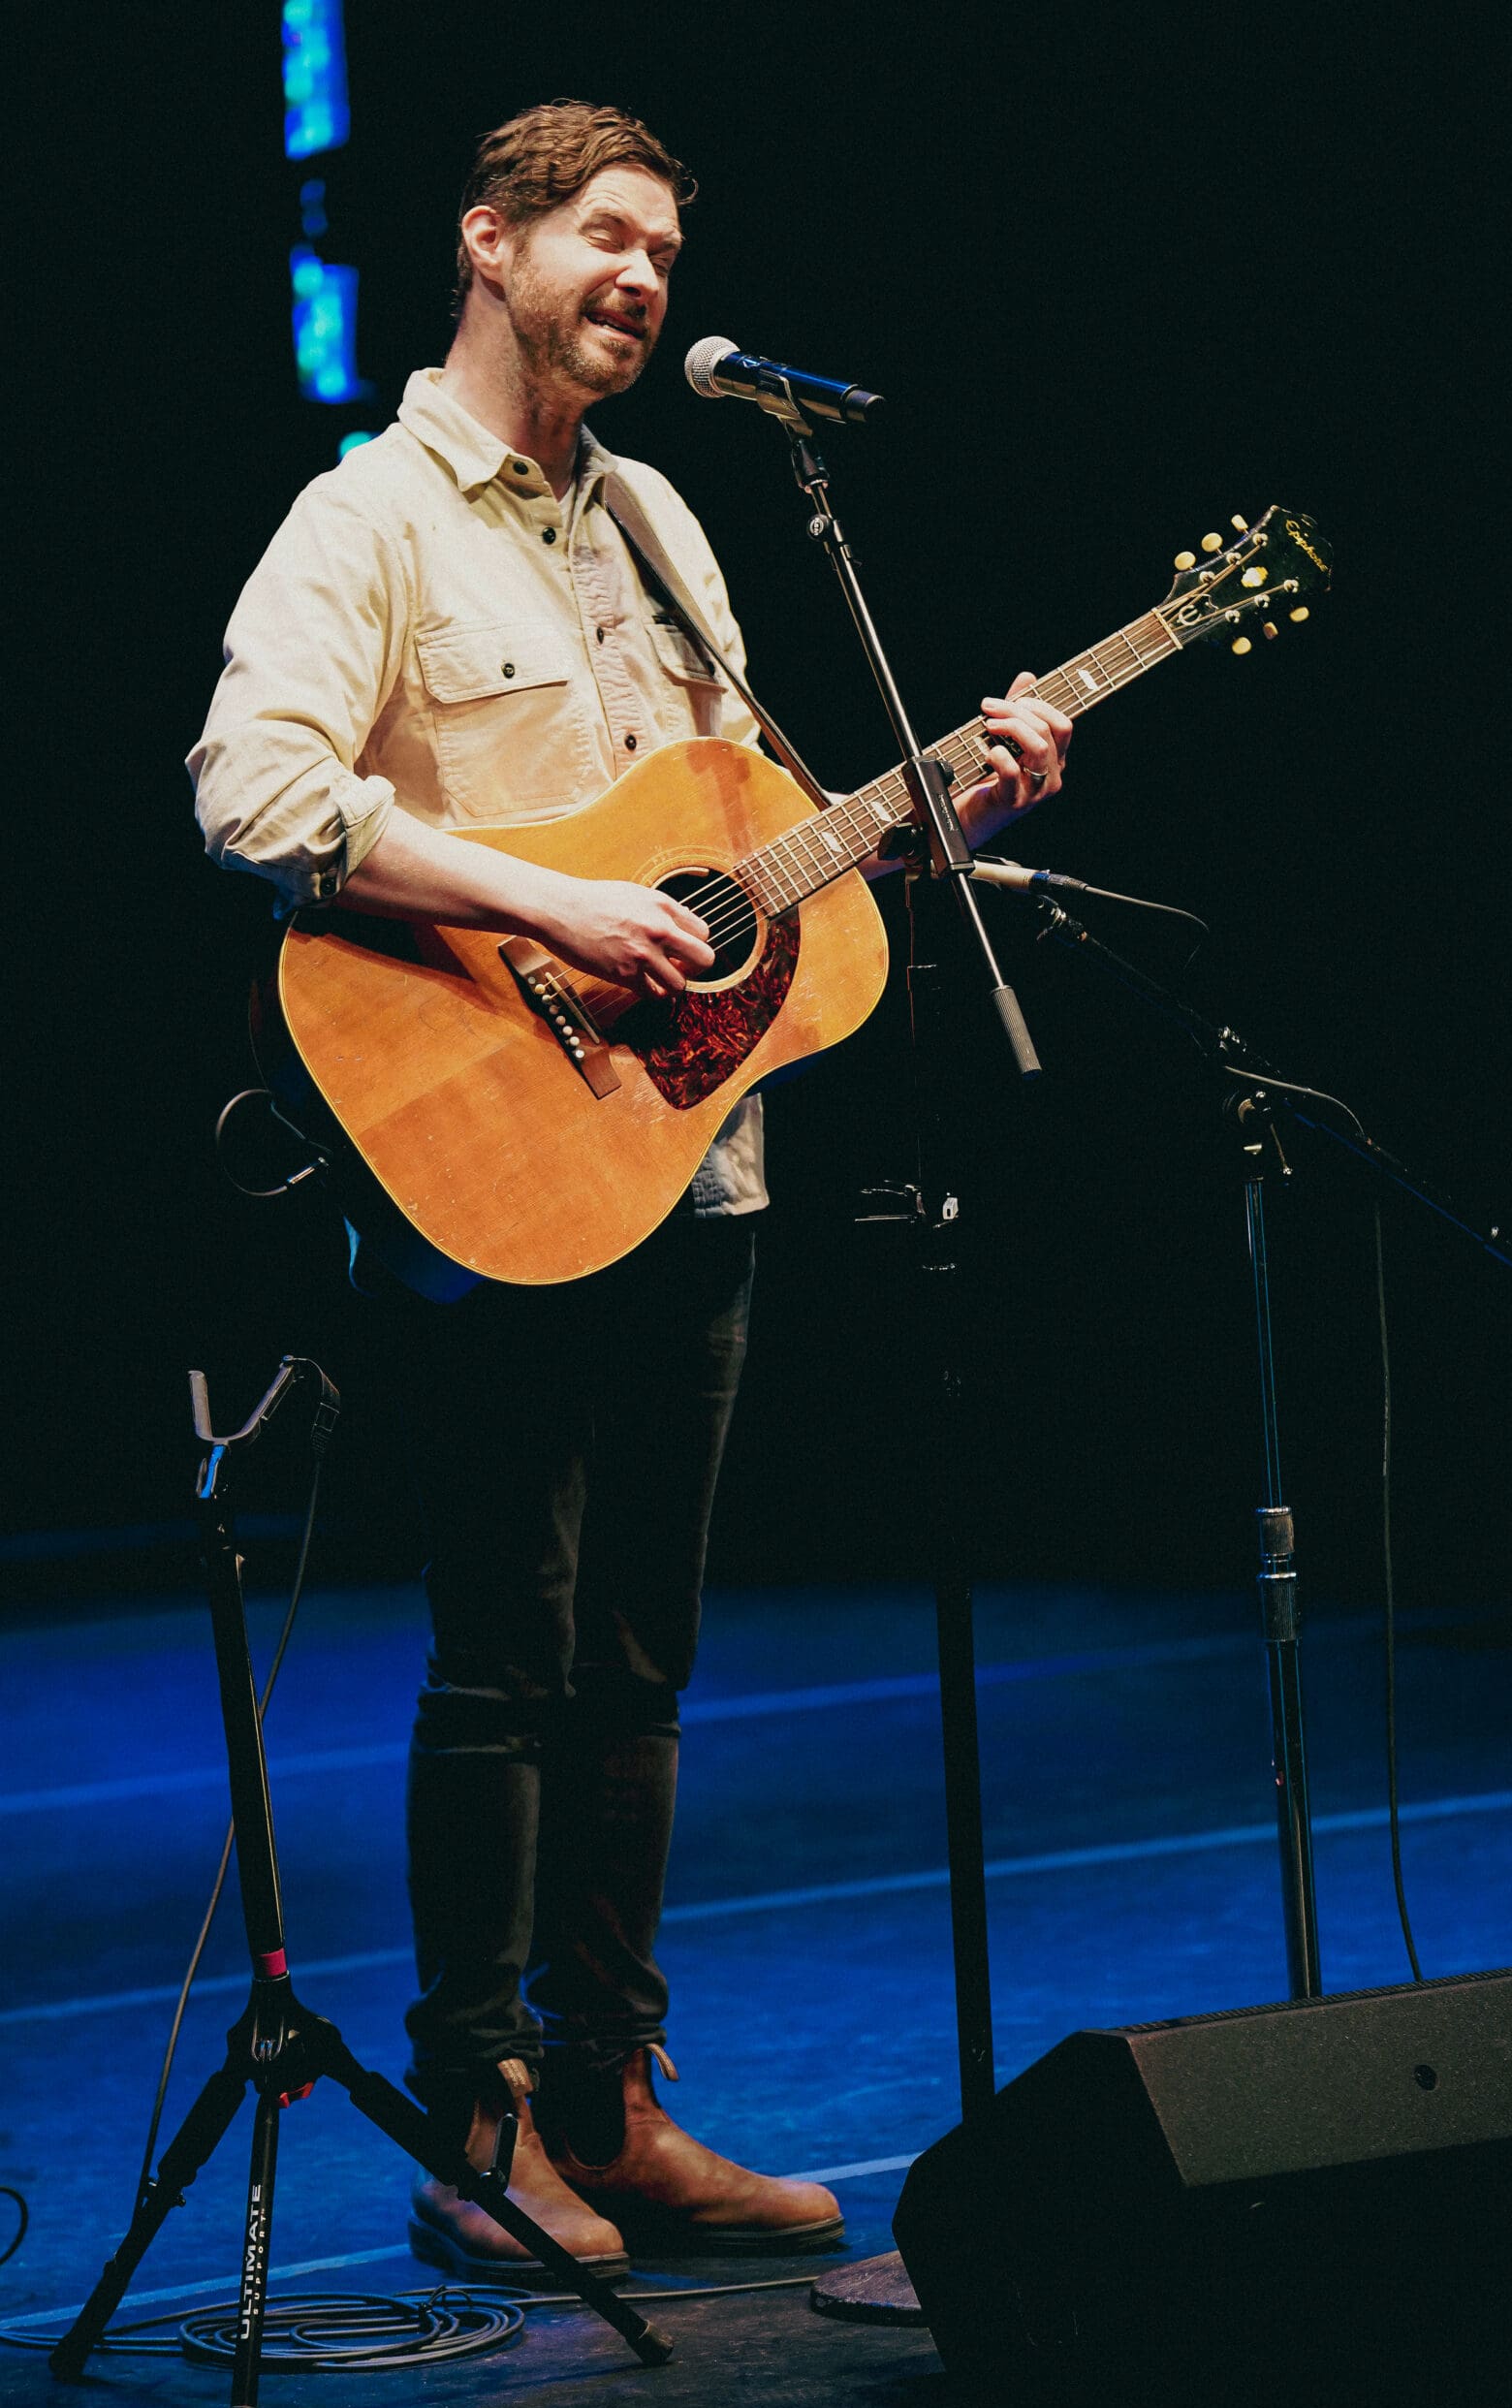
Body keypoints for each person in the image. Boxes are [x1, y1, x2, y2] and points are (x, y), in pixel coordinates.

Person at [189, 102, 1070, 2278]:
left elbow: (737, 832)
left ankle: (613, 2096)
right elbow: (253, 790)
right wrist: (538, 908)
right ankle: (480, 2122)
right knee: (506, 1661)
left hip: (693, 1155)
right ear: (487, 244)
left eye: (665, 245)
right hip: (487, 1155)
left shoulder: (670, 512)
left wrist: (935, 803)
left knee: (642, 1670)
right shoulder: (369, 516)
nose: (644, 276)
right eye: (604, 234)